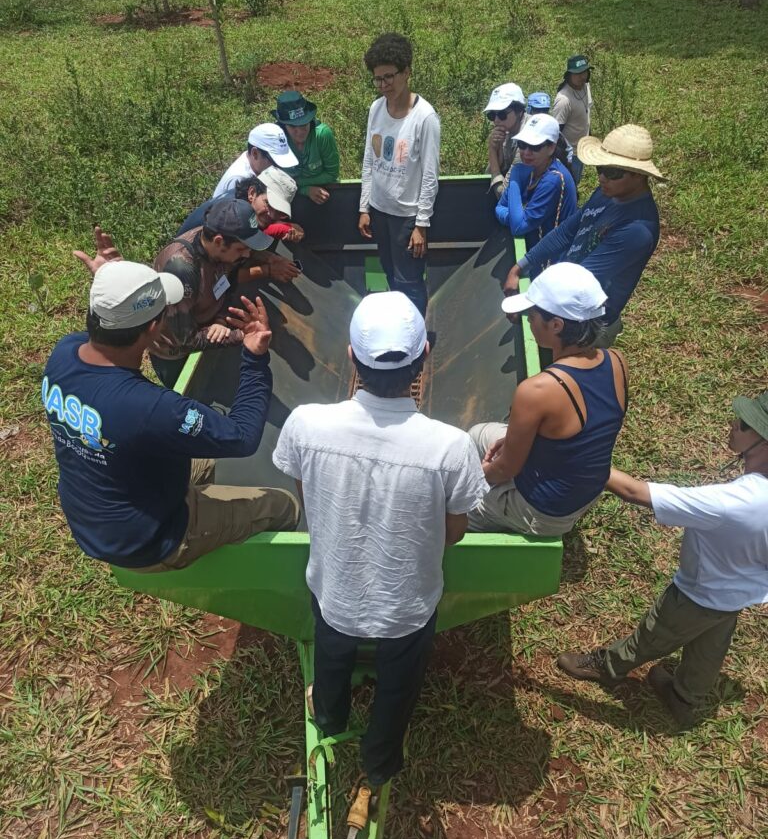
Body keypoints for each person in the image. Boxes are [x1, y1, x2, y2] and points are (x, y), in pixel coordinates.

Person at [272, 291, 487, 786]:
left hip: (334, 591)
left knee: (331, 653)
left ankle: (330, 716)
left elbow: (308, 498)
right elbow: (454, 533)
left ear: (351, 357)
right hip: (407, 606)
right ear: (424, 359)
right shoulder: (451, 447)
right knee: (399, 683)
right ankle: (380, 760)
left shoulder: (305, 424)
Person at [43, 250, 300, 572]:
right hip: (147, 540)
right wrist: (254, 356)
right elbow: (242, 437)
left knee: (205, 458)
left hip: (96, 511)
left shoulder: (64, 353)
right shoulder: (153, 407)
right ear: (154, 327)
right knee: (283, 505)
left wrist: (112, 288)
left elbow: (108, 323)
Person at [557, 392, 768, 727]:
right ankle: (684, 698)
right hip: (737, 596)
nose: (732, 424)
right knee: (708, 651)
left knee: (653, 635)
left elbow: (635, 492)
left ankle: (607, 667)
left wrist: (580, 458)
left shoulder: (733, 503)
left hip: (698, 594)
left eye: (743, 424)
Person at [468, 263, 628, 536]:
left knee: (452, 504)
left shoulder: (537, 390)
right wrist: (511, 445)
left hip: (544, 511)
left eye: (532, 316)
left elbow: (506, 468)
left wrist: (474, 478)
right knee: (478, 434)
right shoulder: (617, 360)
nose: (528, 322)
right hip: (582, 491)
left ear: (556, 325)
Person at [503, 124, 665, 348]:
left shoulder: (637, 230)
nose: (602, 178)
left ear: (638, 175)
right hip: (564, 308)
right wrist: (521, 266)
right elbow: (568, 231)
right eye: (600, 168)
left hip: (586, 327)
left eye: (612, 173)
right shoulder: (608, 192)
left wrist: (528, 303)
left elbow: (580, 280)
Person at [149, 198, 276, 389]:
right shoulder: (181, 270)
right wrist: (241, 335)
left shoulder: (221, 249)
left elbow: (229, 282)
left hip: (208, 327)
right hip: (175, 353)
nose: (247, 255)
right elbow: (183, 340)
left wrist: (221, 319)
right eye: (241, 249)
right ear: (219, 241)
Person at [358, 33, 441, 318]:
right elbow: (370, 159)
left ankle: (415, 334)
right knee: (390, 275)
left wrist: (421, 224)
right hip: (379, 212)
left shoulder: (425, 118)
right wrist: (364, 207)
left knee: (410, 282)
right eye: (378, 79)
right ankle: (399, 327)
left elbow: (430, 176)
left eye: (389, 77)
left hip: (406, 217)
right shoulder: (376, 108)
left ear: (407, 72)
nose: (384, 85)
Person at [494, 114, 577, 251]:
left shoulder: (553, 180)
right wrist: (514, 218)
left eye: (535, 147)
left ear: (551, 148)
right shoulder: (530, 169)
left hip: (551, 258)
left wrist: (515, 177)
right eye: (522, 145)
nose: (526, 152)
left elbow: (518, 227)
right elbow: (499, 208)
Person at [177, 167, 304, 246]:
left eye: (280, 211)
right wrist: (266, 267)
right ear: (252, 193)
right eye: (268, 204)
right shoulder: (230, 216)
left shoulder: (246, 205)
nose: (272, 215)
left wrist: (287, 227)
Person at [273, 90, 340, 205]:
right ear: (283, 125)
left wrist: (297, 182)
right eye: (293, 127)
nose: (300, 132)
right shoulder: (276, 139)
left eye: (304, 124)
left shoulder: (322, 135)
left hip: (322, 195)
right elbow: (275, 181)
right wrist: (305, 190)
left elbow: (332, 174)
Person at [213, 123, 298, 198]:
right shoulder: (239, 180)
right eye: (274, 162)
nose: (278, 167)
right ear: (255, 153)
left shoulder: (253, 163)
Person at [552, 55, 593, 184]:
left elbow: (586, 113)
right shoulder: (563, 100)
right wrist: (564, 159)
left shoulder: (585, 86)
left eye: (584, 72)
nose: (582, 77)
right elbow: (556, 133)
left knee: (576, 182)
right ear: (569, 75)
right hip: (570, 155)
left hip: (581, 150)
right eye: (578, 74)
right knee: (568, 186)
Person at [484, 82, 529, 200]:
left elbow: (503, 195)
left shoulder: (527, 140)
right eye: (492, 115)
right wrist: (496, 148)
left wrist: (492, 151)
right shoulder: (508, 132)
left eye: (502, 114)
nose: (496, 120)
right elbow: (487, 178)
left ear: (519, 111)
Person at [527, 91, 574, 171]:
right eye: (537, 110)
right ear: (529, 110)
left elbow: (569, 150)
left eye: (544, 110)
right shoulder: (523, 129)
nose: (541, 114)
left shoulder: (552, 130)